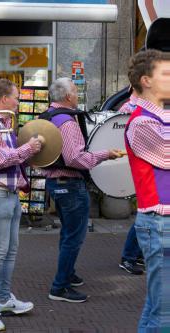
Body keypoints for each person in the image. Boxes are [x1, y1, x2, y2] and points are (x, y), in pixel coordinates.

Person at [42, 78, 123, 303]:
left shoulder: (47, 116)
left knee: (67, 233)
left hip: (55, 183)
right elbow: (75, 158)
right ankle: (59, 287)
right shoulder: (67, 122)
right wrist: (105, 154)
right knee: (74, 238)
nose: (77, 95)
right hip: (70, 185)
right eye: (76, 91)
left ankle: (67, 274)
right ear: (68, 97)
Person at [0, 79, 42, 331]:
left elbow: (7, 160)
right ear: (3, 99)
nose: (18, 101)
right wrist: (28, 148)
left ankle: (1, 299)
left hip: (8, 194)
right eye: (15, 97)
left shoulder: (2, 125)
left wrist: (26, 158)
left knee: (8, 250)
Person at [124, 49, 170, 329]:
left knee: (160, 306)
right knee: (162, 308)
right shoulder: (140, 121)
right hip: (158, 222)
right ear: (146, 81)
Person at [117, 91, 145, 276]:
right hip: (144, 167)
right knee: (146, 213)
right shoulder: (130, 108)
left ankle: (137, 253)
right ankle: (128, 257)